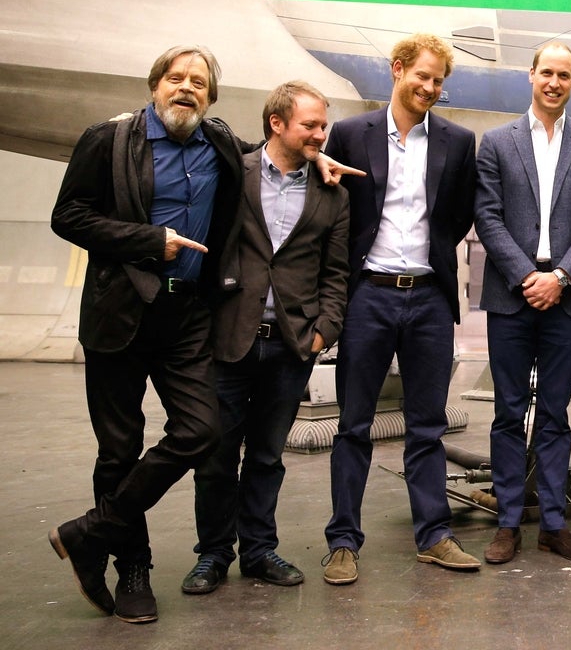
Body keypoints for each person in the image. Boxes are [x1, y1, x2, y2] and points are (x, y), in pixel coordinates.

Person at [48, 45, 245, 623]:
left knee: (200, 430)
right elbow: (69, 216)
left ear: (210, 97)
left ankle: (91, 532)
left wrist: (314, 160)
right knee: (119, 448)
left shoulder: (222, 145)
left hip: (187, 317)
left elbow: (267, 160)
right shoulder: (107, 140)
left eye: (199, 82)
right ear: (156, 84)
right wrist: (148, 240)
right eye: (176, 78)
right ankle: (132, 566)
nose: (186, 88)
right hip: (120, 312)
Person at [322, 34, 480, 584]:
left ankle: (434, 535)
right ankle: (343, 541)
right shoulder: (348, 134)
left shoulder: (459, 142)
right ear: (398, 70)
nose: (431, 88)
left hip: (430, 298)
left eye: (439, 81)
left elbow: (458, 215)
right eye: (423, 76)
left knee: (427, 426)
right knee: (353, 424)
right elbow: (332, 207)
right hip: (368, 294)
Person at [182, 81, 350, 595]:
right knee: (215, 457)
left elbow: (336, 273)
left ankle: (258, 550)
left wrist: (325, 330)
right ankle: (213, 554)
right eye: (311, 126)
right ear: (276, 124)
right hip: (228, 338)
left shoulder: (334, 192)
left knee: (266, 457)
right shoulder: (235, 172)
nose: (322, 134)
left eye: (324, 125)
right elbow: (206, 131)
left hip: (291, 345)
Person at [473, 42, 571, 564]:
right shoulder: (496, 142)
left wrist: (560, 277)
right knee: (508, 414)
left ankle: (554, 524)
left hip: (568, 299)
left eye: (565, 75)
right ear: (530, 76)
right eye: (547, 72)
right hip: (511, 298)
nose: (555, 82)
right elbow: (487, 216)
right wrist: (527, 276)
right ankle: (508, 522)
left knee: (554, 415)